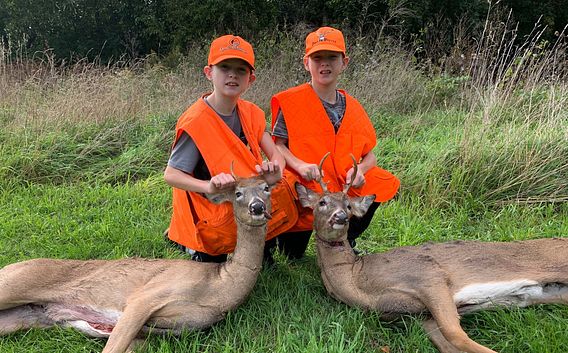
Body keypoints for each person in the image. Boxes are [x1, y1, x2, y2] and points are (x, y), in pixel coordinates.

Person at [164, 34, 298, 263]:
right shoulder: (195, 121)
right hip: (211, 203)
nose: (232, 74)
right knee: (212, 262)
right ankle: (188, 243)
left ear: (250, 79)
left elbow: (275, 152)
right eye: (224, 67)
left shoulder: (251, 112)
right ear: (209, 73)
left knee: (289, 184)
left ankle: (261, 241)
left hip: (242, 197)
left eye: (241, 70)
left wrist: (276, 170)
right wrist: (208, 186)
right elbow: (171, 175)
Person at [270, 26, 400, 259]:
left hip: (341, 183)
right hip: (306, 183)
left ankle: (346, 238)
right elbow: (277, 145)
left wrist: (360, 170)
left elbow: (370, 155)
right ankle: (283, 239)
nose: (324, 64)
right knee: (291, 255)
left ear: (344, 62)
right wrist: (299, 165)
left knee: (381, 180)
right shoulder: (291, 102)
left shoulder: (353, 106)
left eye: (332, 57)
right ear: (306, 63)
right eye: (317, 58)